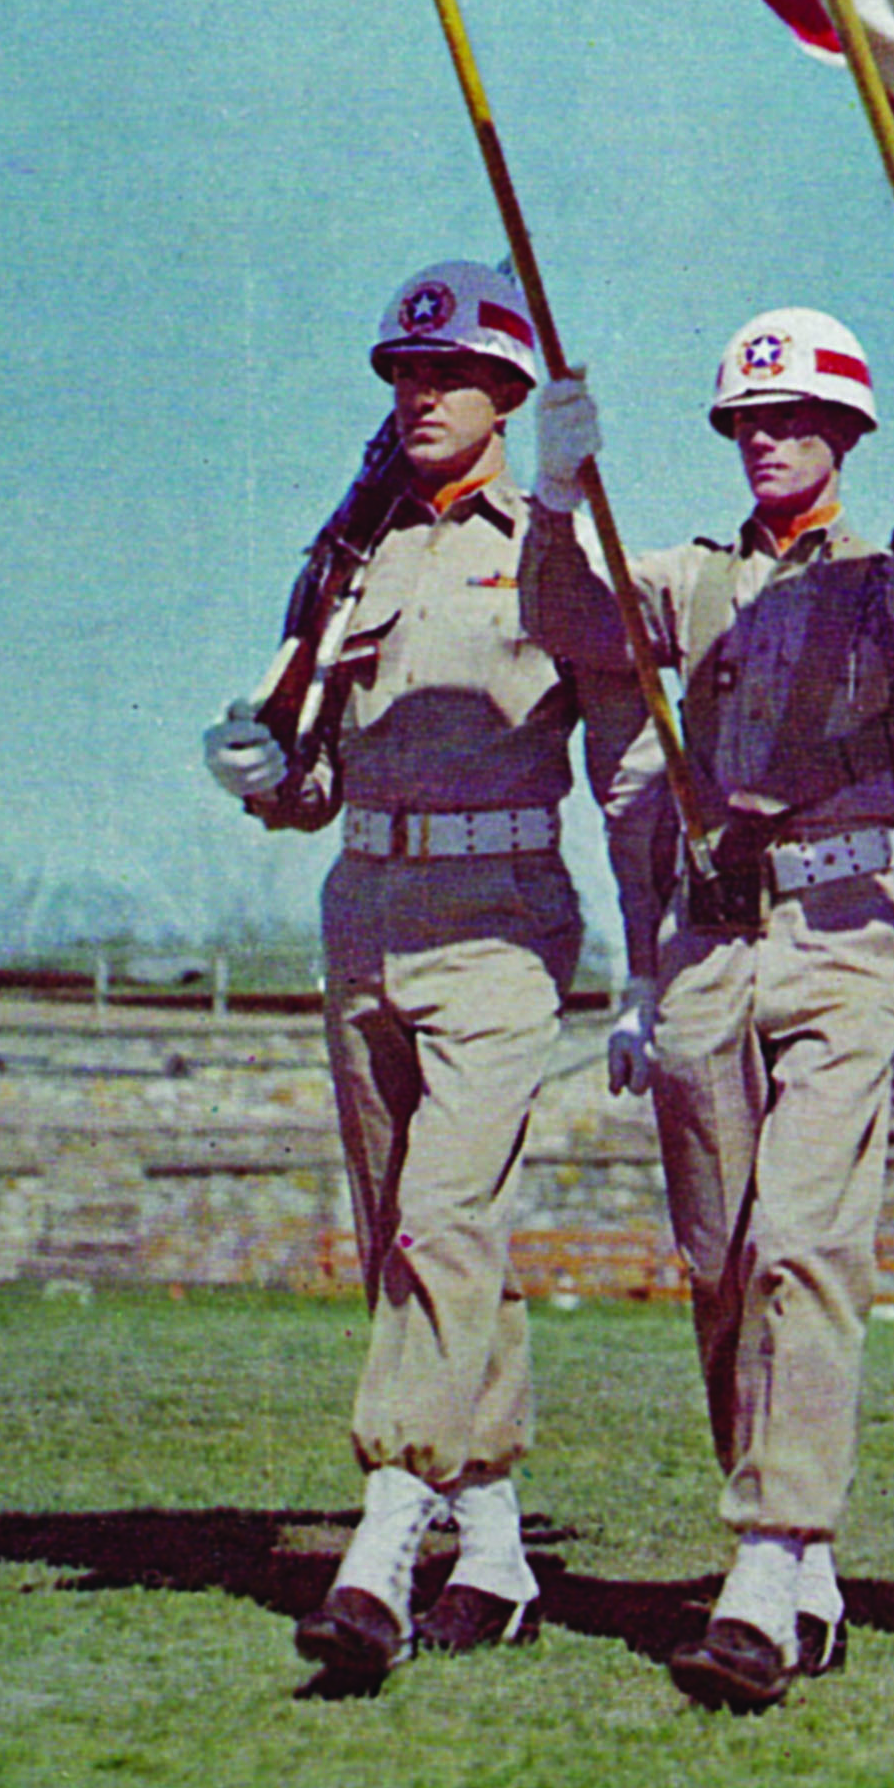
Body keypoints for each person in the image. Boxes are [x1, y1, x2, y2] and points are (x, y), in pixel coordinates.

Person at [519, 309, 894, 1712]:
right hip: (701, 943)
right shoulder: (688, 580)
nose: (767, 440)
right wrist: (554, 499)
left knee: (807, 1237)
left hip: (843, 934)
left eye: (794, 419)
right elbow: (563, 622)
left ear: (845, 436)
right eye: (746, 421)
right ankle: (797, 1563)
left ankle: (770, 1546)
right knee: (721, 1254)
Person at [204, 258, 611, 1682]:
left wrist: (570, 505)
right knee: (416, 1235)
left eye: (446, 377)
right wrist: (267, 774)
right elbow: (308, 758)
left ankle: (386, 1535)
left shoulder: (557, 538)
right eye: (402, 377)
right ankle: (492, 1554)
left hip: (501, 913)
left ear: (508, 394)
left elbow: (623, 720)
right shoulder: (352, 553)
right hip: (364, 900)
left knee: (444, 1218)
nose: (420, 396)